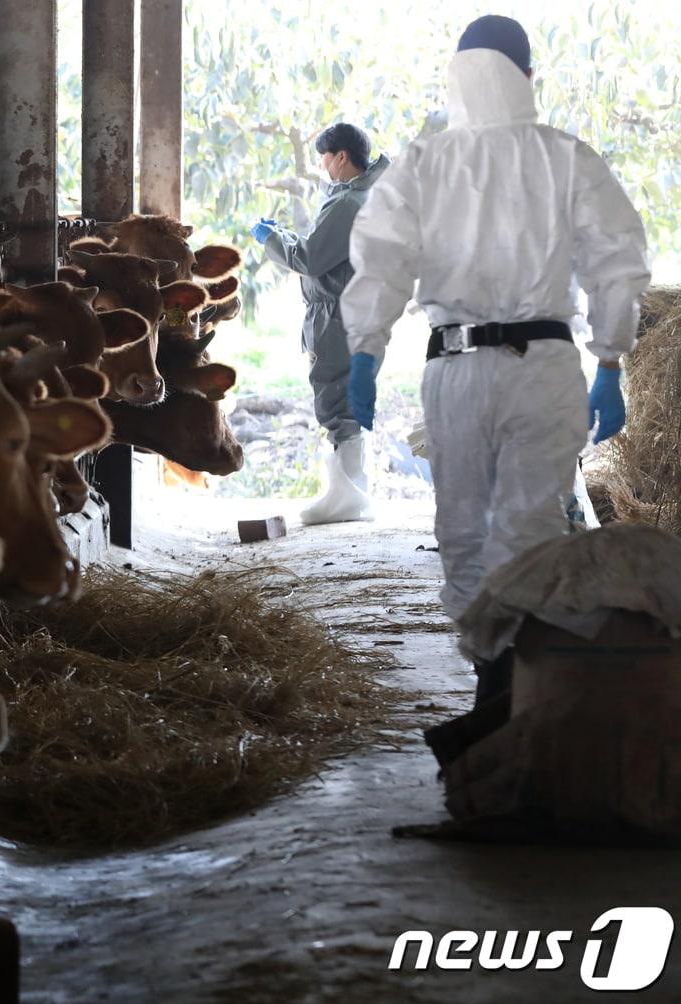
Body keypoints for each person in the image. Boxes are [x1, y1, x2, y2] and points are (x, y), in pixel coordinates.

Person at [340, 15, 650, 714]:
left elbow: (380, 261)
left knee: (463, 531)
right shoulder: (565, 156)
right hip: (542, 364)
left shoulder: (423, 162)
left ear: (455, 77)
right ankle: (527, 697)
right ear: (528, 79)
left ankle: (495, 692)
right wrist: (609, 358)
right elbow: (617, 261)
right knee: (533, 527)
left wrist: (365, 349)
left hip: (453, 367)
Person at [250, 123, 390, 525]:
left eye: (325, 159)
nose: (324, 167)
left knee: (335, 398)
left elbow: (312, 259)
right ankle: (352, 492)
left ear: (341, 156)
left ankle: (347, 496)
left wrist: (271, 240)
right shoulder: (368, 193)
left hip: (339, 313)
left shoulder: (349, 203)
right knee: (349, 398)